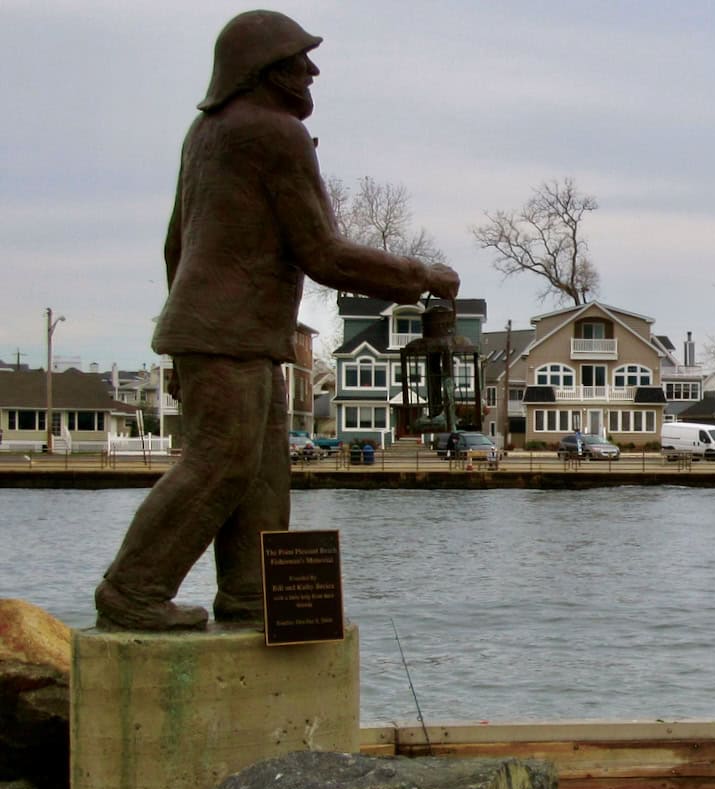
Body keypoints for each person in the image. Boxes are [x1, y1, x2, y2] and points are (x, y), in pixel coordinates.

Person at [94, 11, 459, 631]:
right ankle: (131, 589)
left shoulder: (205, 133)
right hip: (230, 332)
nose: (312, 71)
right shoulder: (273, 133)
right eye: (298, 62)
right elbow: (323, 253)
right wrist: (421, 274)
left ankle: (250, 594)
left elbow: (174, 246)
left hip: (229, 332)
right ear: (262, 71)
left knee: (262, 473)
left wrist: (180, 340)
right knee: (221, 462)